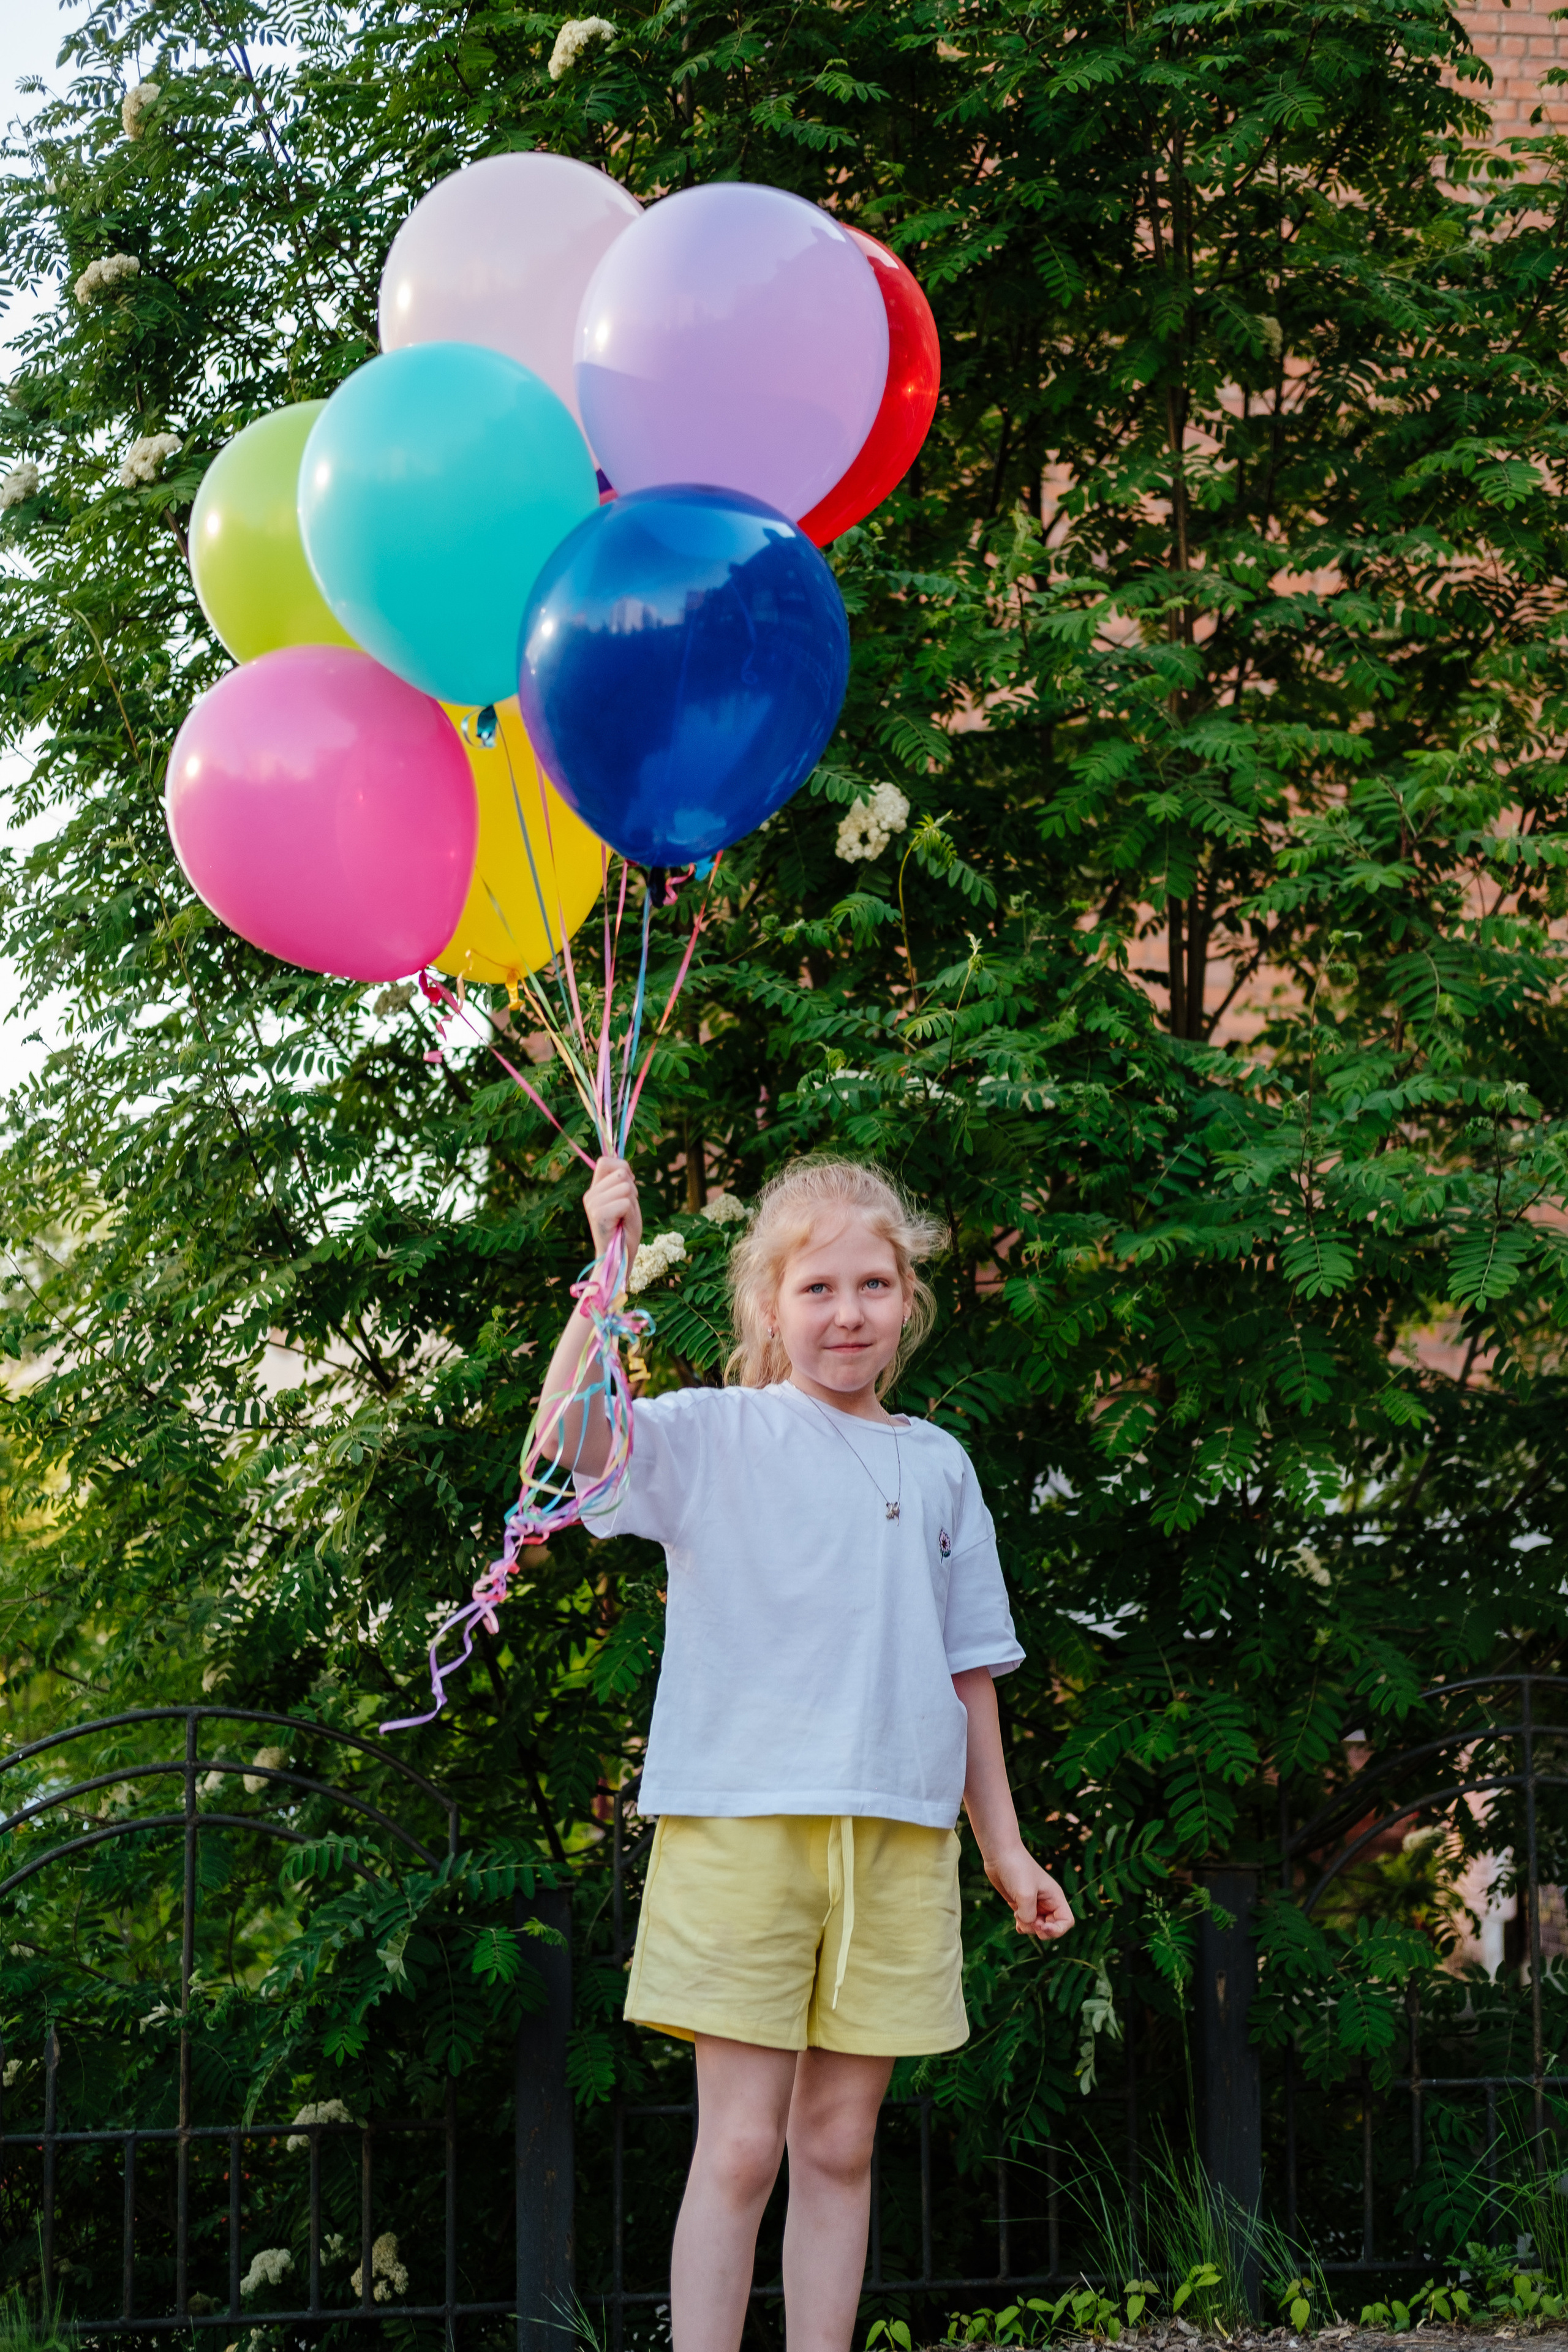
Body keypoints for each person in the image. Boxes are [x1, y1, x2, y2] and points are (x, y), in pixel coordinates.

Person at [539, 1153, 1074, 2352]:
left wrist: (1006, 1846)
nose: (847, 1312)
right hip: (740, 1829)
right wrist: (604, 1272)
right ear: (768, 1307)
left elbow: (967, 1667)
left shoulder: (937, 1463)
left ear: (907, 1301)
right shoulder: (709, 1436)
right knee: (736, 2147)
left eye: (872, 1286)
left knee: (837, 2144)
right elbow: (569, 1442)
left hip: (895, 1837)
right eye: (818, 1287)